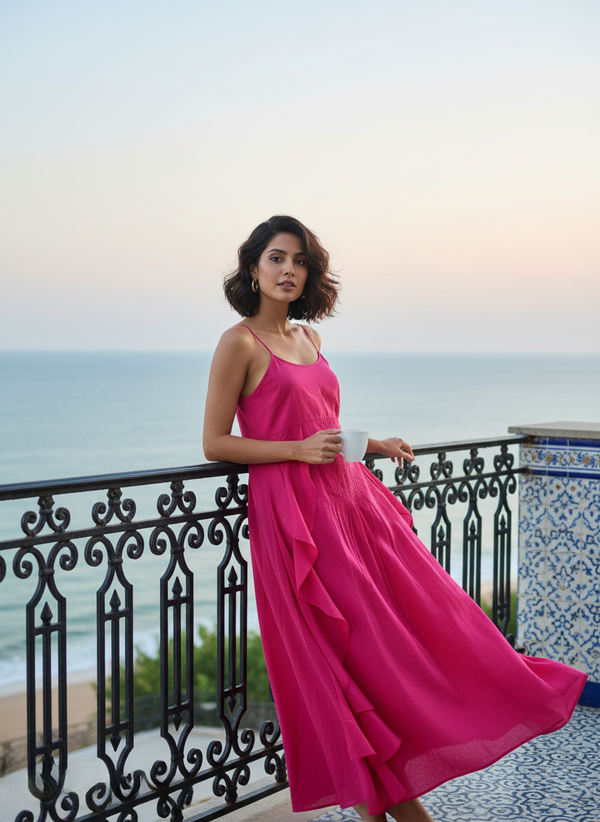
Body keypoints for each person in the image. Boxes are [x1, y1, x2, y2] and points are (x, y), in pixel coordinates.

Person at [203, 216, 586, 822]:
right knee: (343, 661)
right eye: (275, 258)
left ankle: (476, 719)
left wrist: (371, 443)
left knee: (412, 636)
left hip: (347, 504)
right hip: (296, 520)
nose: (287, 271)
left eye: (299, 262)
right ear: (253, 267)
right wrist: (296, 452)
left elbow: (317, 423)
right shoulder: (240, 343)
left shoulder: (310, 339)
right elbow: (216, 442)